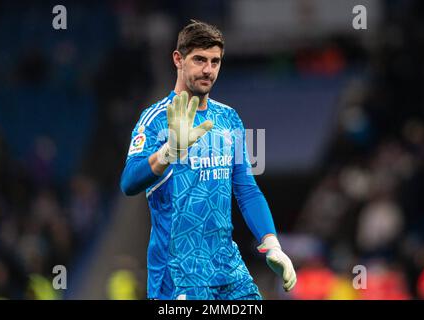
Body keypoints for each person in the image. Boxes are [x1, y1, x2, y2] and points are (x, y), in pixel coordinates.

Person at [120, 19, 296, 300]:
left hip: (228, 268)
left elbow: (246, 188)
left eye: (215, 61)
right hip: (177, 274)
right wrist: (169, 152)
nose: (208, 70)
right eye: (199, 59)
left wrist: (272, 243)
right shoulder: (155, 120)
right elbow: (129, 183)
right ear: (178, 59)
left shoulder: (228, 118)